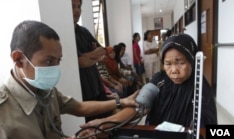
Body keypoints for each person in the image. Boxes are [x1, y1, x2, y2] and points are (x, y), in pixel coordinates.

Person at [0, 20, 138, 139]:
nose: (56, 69)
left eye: (59, 61)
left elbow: (79, 107)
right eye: (49, 62)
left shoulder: (46, 91)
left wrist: (120, 102)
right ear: (18, 60)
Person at [82, 33, 217, 133]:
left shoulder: (200, 88)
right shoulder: (159, 80)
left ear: (192, 61)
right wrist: (104, 123)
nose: (174, 70)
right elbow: (138, 106)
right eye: (168, 64)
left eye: (181, 63)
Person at [72, 0, 112, 122]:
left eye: (79, 6)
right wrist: (94, 56)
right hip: (84, 91)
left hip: (97, 85)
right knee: (91, 127)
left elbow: (103, 51)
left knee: (105, 122)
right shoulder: (67, 34)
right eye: (73, 7)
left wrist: (88, 56)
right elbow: (82, 62)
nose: (77, 10)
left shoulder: (83, 31)